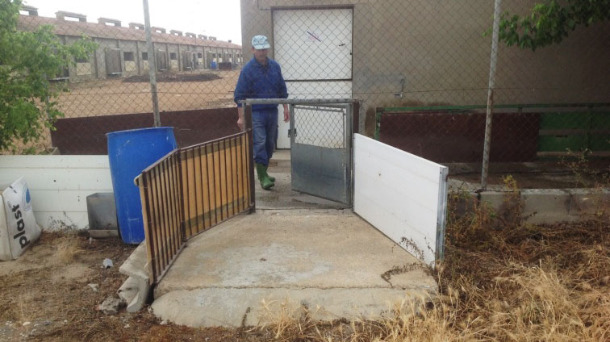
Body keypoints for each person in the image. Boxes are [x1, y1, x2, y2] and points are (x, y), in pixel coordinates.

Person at [234, 35, 289, 190]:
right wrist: (241, 118)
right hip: (256, 112)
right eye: (259, 49)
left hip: (272, 110)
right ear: (253, 50)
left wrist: (285, 108)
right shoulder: (247, 70)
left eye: (264, 49)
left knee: (270, 143)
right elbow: (239, 96)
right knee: (260, 142)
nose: (262, 52)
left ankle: (264, 171)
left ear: (268, 49)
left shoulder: (275, 67)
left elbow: (281, 89)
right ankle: (262, 177)